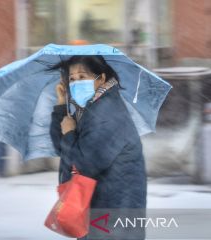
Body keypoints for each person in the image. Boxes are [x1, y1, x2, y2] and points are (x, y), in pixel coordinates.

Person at [49, 55, 147, 239]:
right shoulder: (89, 110)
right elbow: (62, 150)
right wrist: (61, 107)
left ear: (101, 79)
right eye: (72, 79)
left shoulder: (107, 114)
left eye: (82, 77)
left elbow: (84, 165)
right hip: (100, 214)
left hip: (113, 218)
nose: (76, 83)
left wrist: (70, 134)